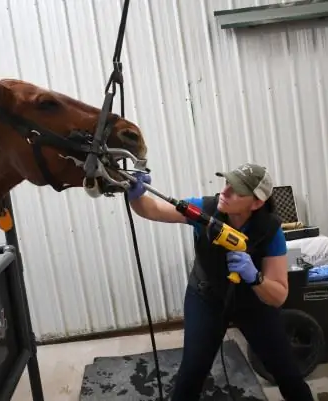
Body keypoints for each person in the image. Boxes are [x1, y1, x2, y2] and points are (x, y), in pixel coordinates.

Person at [126, 162, 314, 401]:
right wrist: (135, 194)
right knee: (193, 370)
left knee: (287, 372)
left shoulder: (269, 230)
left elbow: (279, 296)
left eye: (236, 190)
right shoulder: (204, 210)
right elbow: (152, 210)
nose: (224, 192)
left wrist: (254, 277)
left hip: (253, 303)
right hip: (206, 297)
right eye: (226, 183)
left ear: (256, 203)